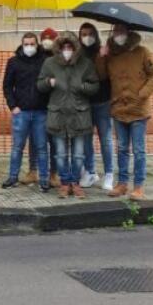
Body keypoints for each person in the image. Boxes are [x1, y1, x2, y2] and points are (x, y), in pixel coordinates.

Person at [103, 23, 153, 201]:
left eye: (121, 31)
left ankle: (138, 187)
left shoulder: (143, 52)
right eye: (116, 31)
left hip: (138, 109)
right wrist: (101, 56)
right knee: (121, 149)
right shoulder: (111, 56)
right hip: (118, 108)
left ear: (128, 33)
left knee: (138, 150)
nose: (118, 34)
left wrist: (142, 95)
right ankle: (122, 184)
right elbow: (101, 76)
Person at [38, 32, 99, 199]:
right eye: (64, 47)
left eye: (70, 47)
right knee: (60, 153)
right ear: (58, 48)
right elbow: (39, 85)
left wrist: (83, 87)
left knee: (79, 153)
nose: (67, 50)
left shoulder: (85, 64)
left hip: (79, 115)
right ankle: (64, 183)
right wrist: (47, 83)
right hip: (58, 114)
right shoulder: (49, 63)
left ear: (75, 48)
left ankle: (75, 183)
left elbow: (95, 86)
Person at [2, 32, 50, 191]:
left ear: (37, 45)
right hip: (21, 112)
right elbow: (7, 86)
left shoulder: (45, 61)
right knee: (17, 147)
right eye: (26, 44)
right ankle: (13, 177)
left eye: (32, 44)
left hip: (41, 112)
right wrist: (12, 106)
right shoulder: (14, 62)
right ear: (22, 45)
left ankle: (43, 179)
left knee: (42, 147)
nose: (29, 47)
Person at [22, 27, 59, 187]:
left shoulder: (60, 57)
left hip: (55, 106)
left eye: (50, 38)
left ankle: (54, 173)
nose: (47, 41)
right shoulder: (37, 56)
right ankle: (32, 170)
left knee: (54, 141)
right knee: (34, 140)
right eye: (44, 38)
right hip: (38, 105)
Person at [79, 22, 114, 191]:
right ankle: (90, 171)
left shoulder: (103, 52)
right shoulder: (78, 54)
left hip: (103, 102)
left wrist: (102, 57)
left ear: (96, 35)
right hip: (85, 103)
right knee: (86, 139)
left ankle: (109, 173)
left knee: (105, 139)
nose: (87, 37)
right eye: (84, 34)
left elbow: (103, 75)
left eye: (90, 34)